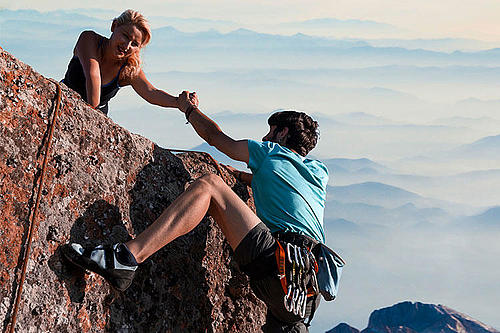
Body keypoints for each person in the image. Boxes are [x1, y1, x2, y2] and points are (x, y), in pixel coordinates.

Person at [62, 91, 330, 332]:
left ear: (282, 133)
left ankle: (126, 258)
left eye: (270, 132)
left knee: (209, 185)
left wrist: (189, 109)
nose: (264, 137)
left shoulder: (269, 151)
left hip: (279, 263)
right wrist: (240, 176)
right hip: (307, 290)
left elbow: (215, 138)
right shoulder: (319, 173)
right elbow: (285, 185)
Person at [62, 9, 182, 115]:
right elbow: (93, 75)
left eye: (134, 44)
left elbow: (151, 92)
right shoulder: (89, 40)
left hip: (97, 116)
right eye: (125, 36)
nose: (127, 46)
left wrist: (180, 102)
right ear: (114, 26)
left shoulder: (129, 68)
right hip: (64, 101)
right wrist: (91, 115)